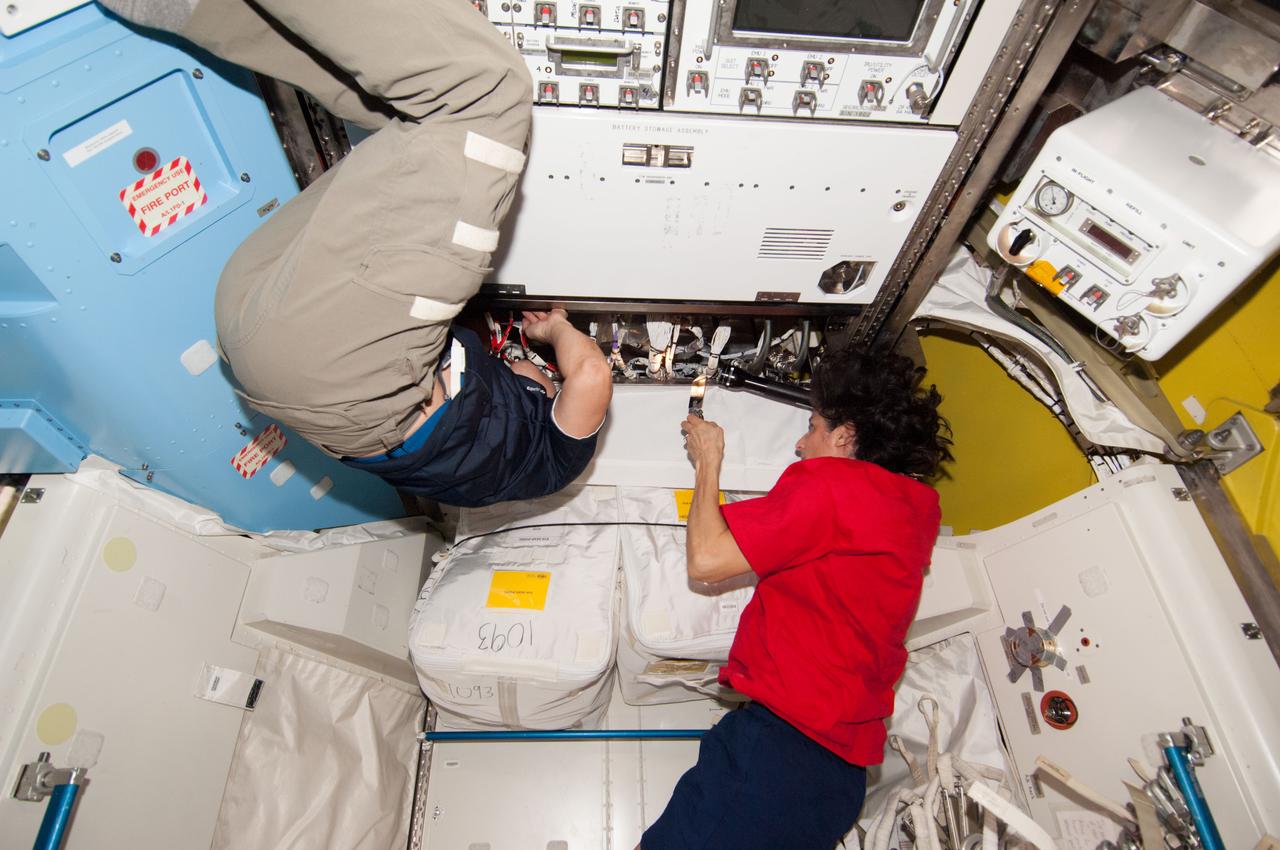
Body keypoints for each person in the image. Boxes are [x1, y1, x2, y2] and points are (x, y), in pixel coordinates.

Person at [98, 0, 612, 506]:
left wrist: (555, 330)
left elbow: (591, 375)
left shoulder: (551, 464)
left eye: (547, 380)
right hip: (264, 336)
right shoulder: (479, 472)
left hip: (337, 366)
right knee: (406, 117)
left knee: (485, 92)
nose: (537, 368)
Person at [642, 346, 953, 849]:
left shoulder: (834, 487)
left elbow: (706, 562)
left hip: (784, 752)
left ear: (845, 436)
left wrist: (708, 463)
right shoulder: (911, 515)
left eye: (811, 427)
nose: (799, 444)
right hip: (839, 778)